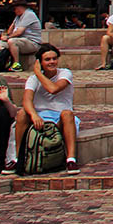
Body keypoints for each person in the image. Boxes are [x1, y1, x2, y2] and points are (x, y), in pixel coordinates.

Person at [14, 44, 79, 174]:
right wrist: (34, 115)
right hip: (40, 118)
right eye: (47, 59)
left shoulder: (65, 73)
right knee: (22, 114)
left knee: (67, 114)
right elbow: (27, 100)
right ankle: (18, 158)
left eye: (54, 59)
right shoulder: (33, 79)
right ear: (40, 62)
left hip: (59, 117)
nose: (52, 62)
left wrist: (38, 73)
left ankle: (71, 159)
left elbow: (53, 89)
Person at [0, 0, 41, 72]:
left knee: (12, 41)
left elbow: (19, 32)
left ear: (20, 7)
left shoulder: (29, 14)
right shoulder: (18, 17)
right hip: (20, 41)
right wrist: (3, 36)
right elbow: (10, 30)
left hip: (32, 42)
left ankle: (16, 64)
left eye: (15, 9)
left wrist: (8, 37)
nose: (14, 11)